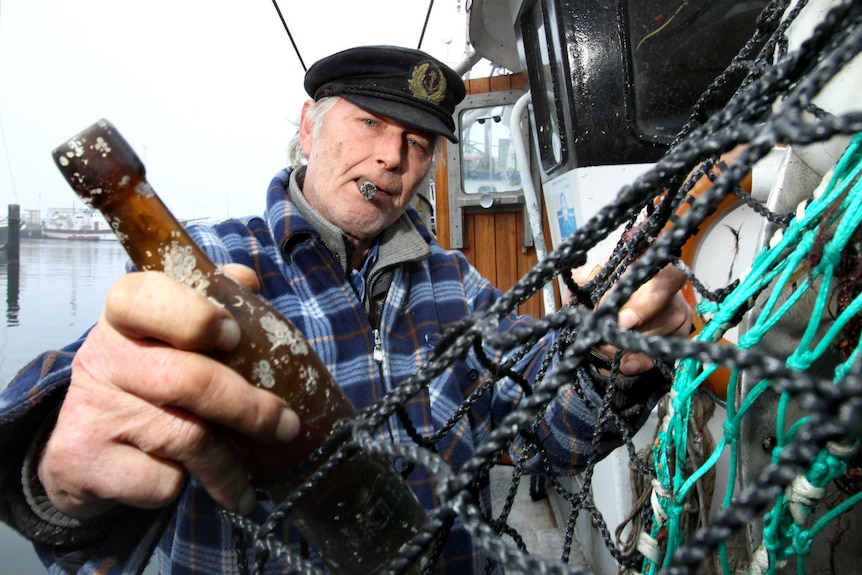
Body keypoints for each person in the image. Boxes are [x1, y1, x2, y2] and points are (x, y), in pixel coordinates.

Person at [0, 45, 691, 573]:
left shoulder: (459, 282)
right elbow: (88, 392)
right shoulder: (209, 262)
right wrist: (53, 464)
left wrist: (613, 358)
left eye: (419, 144)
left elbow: (548, 435)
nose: (393, 157)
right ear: (309, 126)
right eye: (370, 123)